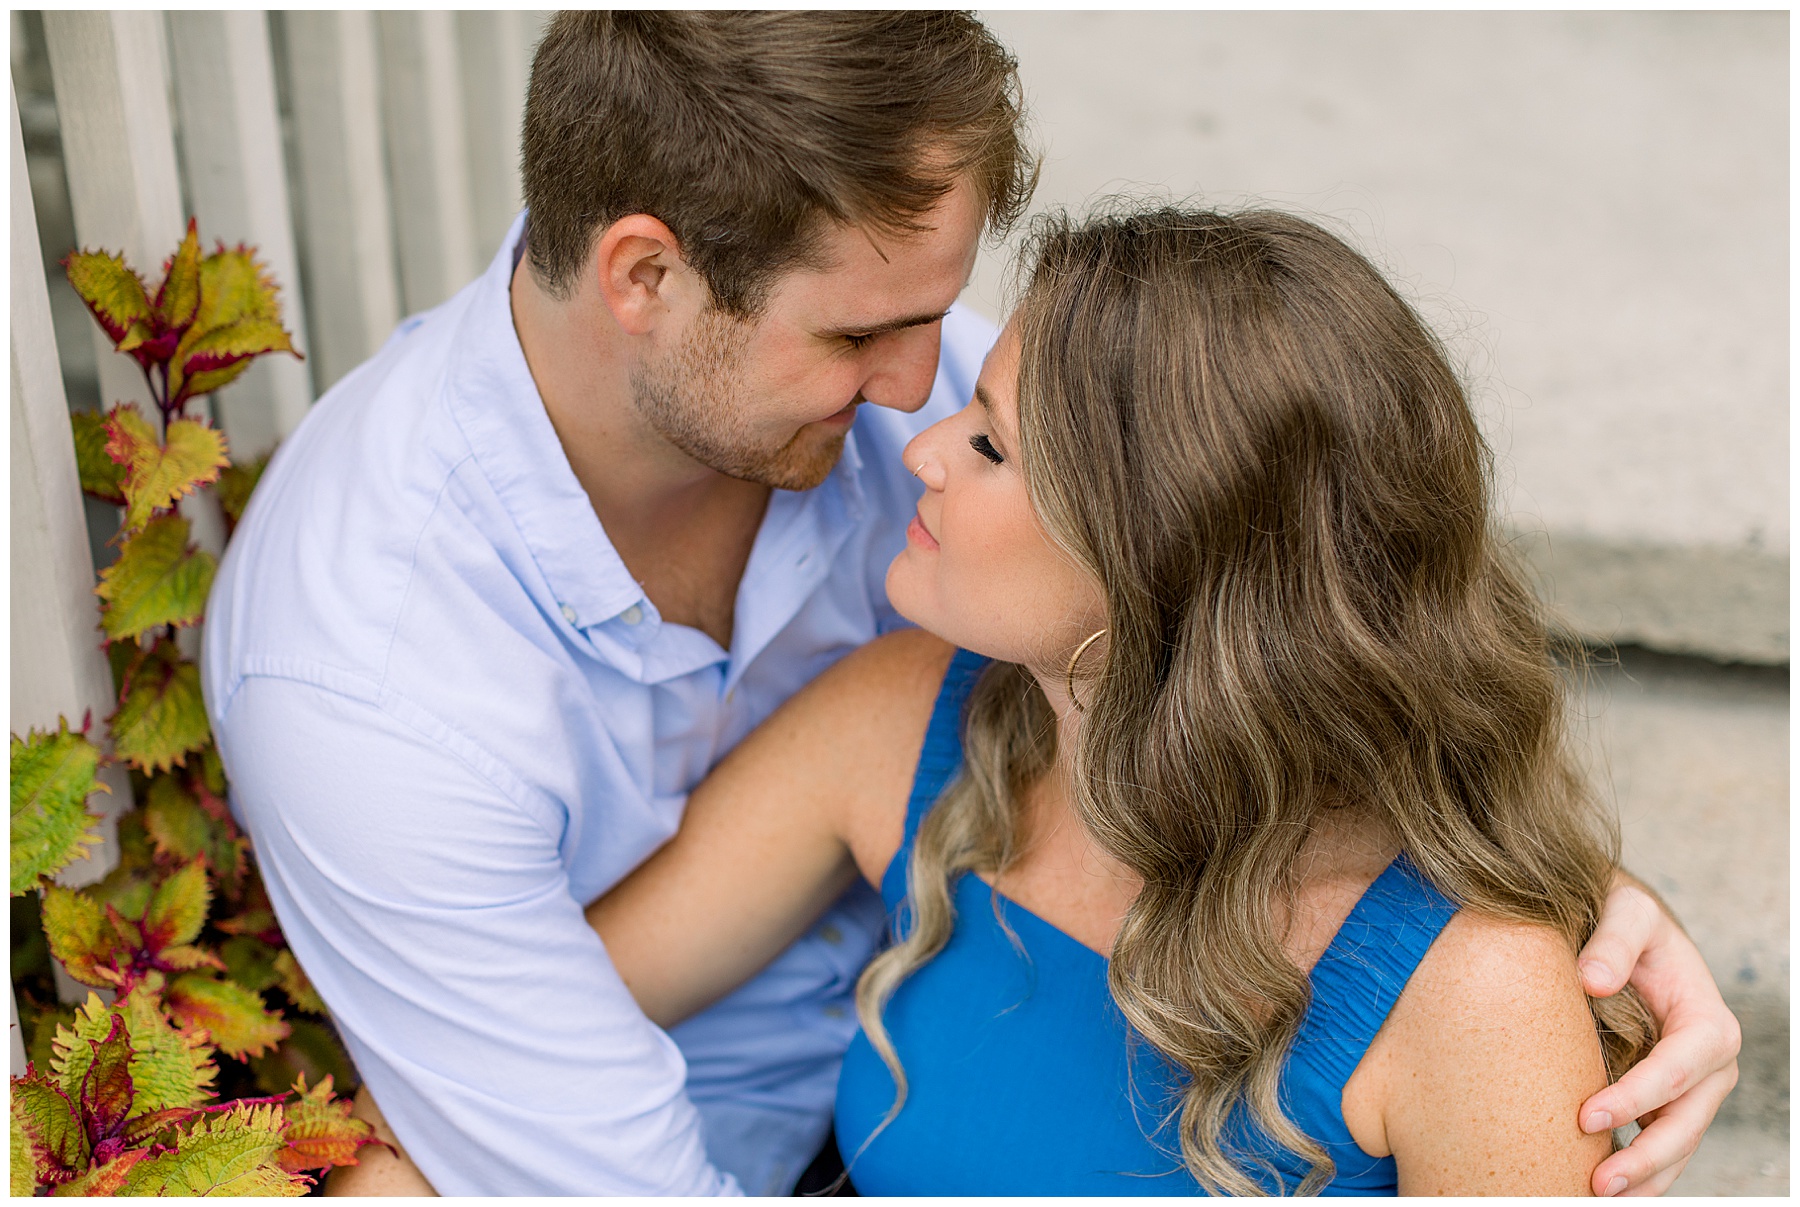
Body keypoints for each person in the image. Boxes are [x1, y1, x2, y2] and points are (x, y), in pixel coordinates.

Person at [203, 12, 1735, 1198]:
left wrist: (1548, 898)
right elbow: (544, 1104)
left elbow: (1272, 532)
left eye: (971, 392)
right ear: (645, 277)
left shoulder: (1458, 991)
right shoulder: (369, 683)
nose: (917, 413)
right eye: (877, 337)